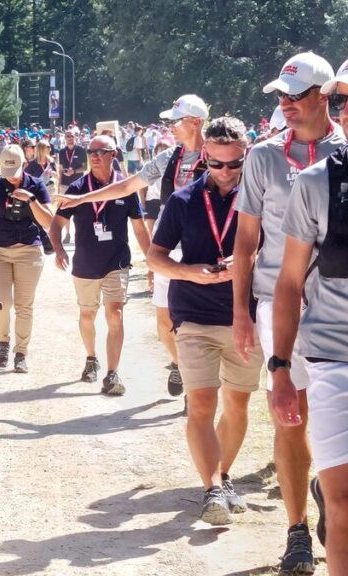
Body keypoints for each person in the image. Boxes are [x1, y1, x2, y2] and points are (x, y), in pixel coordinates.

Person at [232, 52, 345, 575]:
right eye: (280, 96)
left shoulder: (343, 154)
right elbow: (246, 240)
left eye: (295, 96)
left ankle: (330, 487)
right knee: (288, 419)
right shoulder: (261, 157)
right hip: (276, 304)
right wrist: (238, 309)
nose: (285, 105)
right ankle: (297, 530)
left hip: (330, 312)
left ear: (326, 96)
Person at [57, 95, 211, 398]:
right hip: (173, 248)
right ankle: (180, 366)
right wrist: (82, 199)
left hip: (207, 246)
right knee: (163, 322)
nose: (170, 128)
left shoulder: (219, 154)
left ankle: (197, 387)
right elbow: (127, 185)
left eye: (176, 121)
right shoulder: (168, 158)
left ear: (196, 122)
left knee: (199, 321)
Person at [147, 117, 260, 526]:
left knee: (238, 402)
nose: (227, 173)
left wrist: (248, 261)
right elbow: (155, 257)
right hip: (193, 314)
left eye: (235, 164)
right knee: (201, 403)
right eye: (218, 164)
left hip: (245, 316)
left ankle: (224, 476)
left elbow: (285, 248)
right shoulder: (183, 200)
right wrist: (190, 271)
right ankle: (212, 487)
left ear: (246, 158)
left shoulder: (260, 198)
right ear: (204, 159)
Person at [271, 66, 348, 571]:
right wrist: (280, 368)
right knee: (343, 505)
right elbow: (289, 282)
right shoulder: (317, 182)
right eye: (342, 101)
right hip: (333, 363)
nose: (345, 110)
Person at [49, 135, 150, 395]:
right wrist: (59, 248)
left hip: (117, 261)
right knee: (87, 315)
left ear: (113, 154)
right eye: (90, 151)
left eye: (100, 151)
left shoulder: (125, 189)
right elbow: (57, 224)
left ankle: (112, 374)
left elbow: (139, 229)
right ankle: (91, 358)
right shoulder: (78, 187)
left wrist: (153, 260)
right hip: (85, 262)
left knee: (115, 313)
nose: (94, 156)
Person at [0, 145, 52, 373]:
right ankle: (3, 342)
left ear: (23, 165)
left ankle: (21, 353)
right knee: (0, 303)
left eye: (14, 172)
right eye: (6, 172)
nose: (10, 178)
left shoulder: (36, 185)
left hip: (29, 249)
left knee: (24, 305)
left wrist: (31, 199)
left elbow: (48, 221)